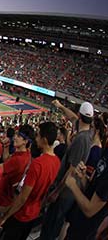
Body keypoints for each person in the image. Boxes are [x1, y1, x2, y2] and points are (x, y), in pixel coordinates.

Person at [0, 123, 60, 240]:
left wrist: (4, 218)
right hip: (34, 212)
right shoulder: (56, 161)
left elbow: (23, 197)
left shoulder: (38, 164)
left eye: (38, 135)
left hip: (21, 214)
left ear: (44, 139)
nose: (36, 138)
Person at [40, 102, 95, 240]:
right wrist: (60, 105)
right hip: (66, 191)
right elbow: (73, 118)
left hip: (64, 192)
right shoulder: (88, 131)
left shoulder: (81, 139)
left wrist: (56, 192)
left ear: (79, 116)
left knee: (50, 227)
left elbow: (71, 170)